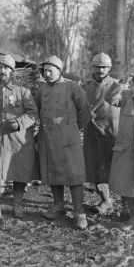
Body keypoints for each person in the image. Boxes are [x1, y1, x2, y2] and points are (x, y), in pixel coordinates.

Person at [0, 54, 39, 220]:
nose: (1, 70)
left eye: (5, 68)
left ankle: (17, 205)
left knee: (20, 172)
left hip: (19, 140)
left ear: (11, 71)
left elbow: (32, 113)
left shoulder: (23, 91)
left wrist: (18, 123)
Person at [34, 56, 91, 230]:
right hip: (48, 138)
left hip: (69, 138)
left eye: (50, 70)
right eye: (45, 71)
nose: (47, 74)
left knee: (74, 174)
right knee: (53, 172)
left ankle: (79, 212)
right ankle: (58, 206)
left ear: (60, 71)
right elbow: (36, 110)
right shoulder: (41, 90)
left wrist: (73, 128)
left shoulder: (73, 87)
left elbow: (85, 111)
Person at [106, 63, 134, 226]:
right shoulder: (126, 96)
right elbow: (109, 98)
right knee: (131, 186)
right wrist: (122, 81)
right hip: (128, 151)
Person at [82, 53, 121, 214]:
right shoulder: (85, 86)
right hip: (92, 131)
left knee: (113, 166)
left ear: (109, 68)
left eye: (104, 67)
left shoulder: (116, 85)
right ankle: (105, 200)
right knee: (94, 166)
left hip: (110, 131)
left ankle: (125, 203)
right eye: (98, 67)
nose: (101, 70)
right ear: (93, 68)